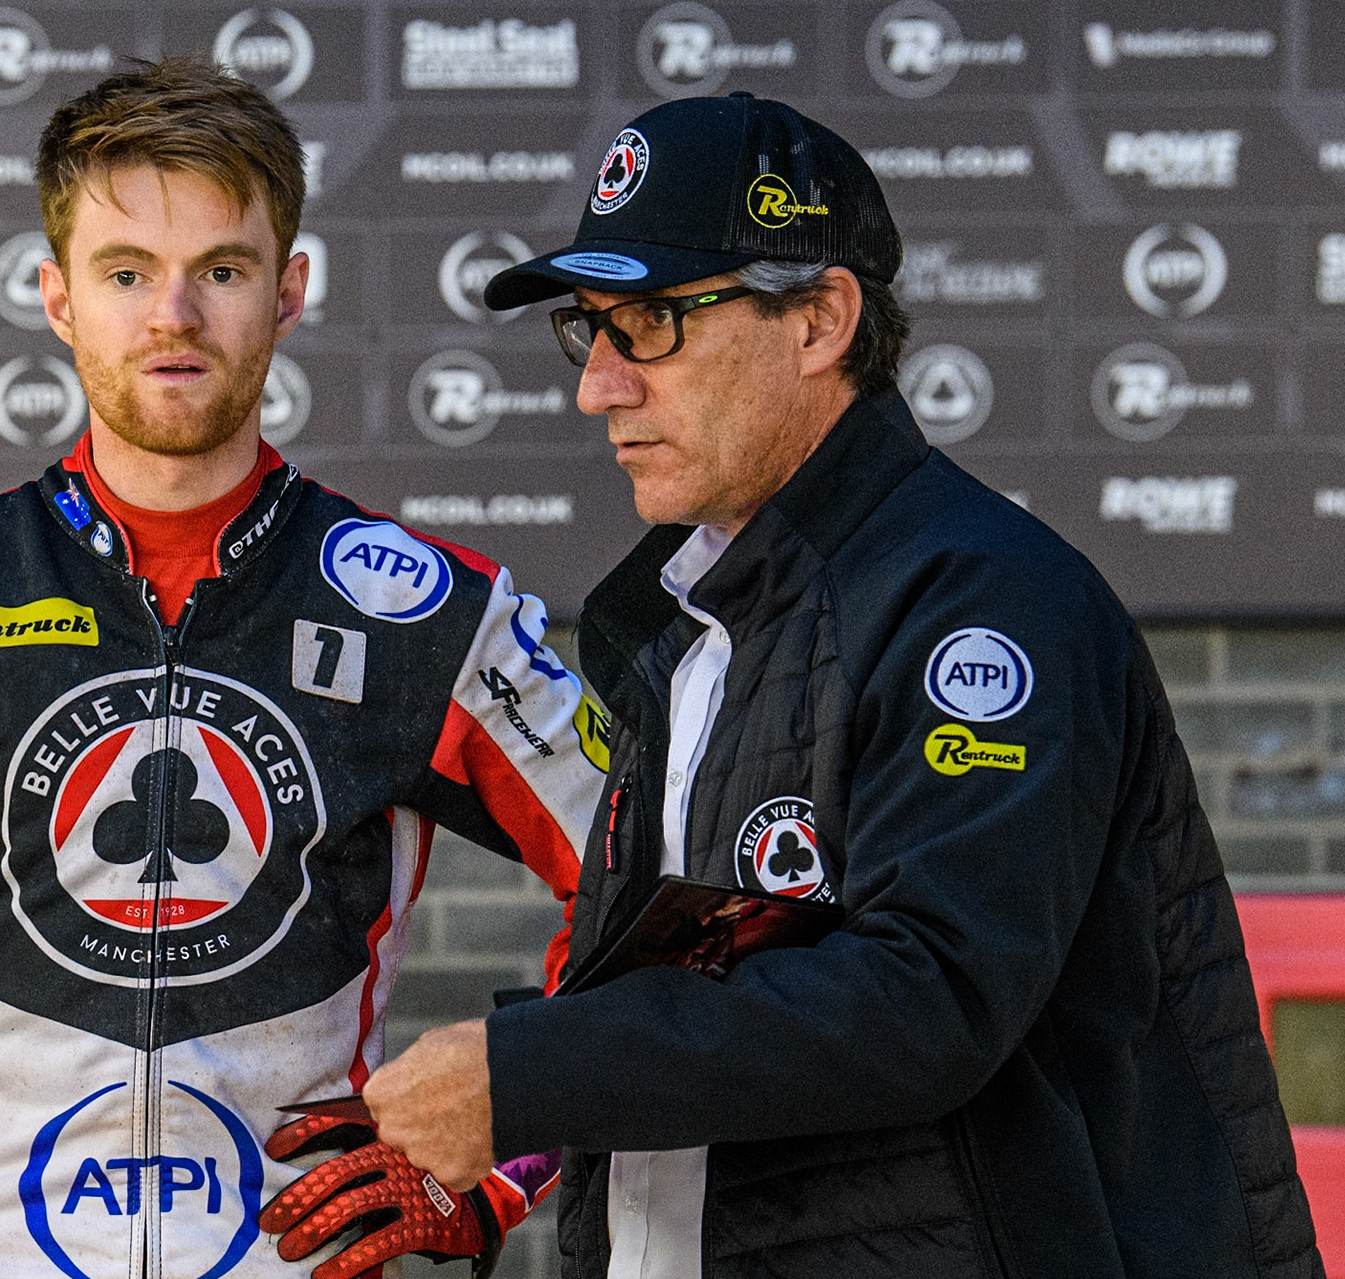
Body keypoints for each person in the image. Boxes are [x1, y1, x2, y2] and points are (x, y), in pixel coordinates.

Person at [357, 93, 1323, 1279]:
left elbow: (931, 994)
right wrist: (518, 1157)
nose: (596, 387)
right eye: (588, 329)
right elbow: (701, 1004)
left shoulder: (984, 600)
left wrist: (527, 1077)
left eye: (651, 321)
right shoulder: (687, 627)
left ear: (818, 320)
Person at [0, 58, 604, 1279]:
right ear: (57, 298)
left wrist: (502, 1149)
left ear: (288, 292)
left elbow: (646, 878)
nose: (174, 315)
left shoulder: (424, 612)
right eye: (126, 274)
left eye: (221, 270)